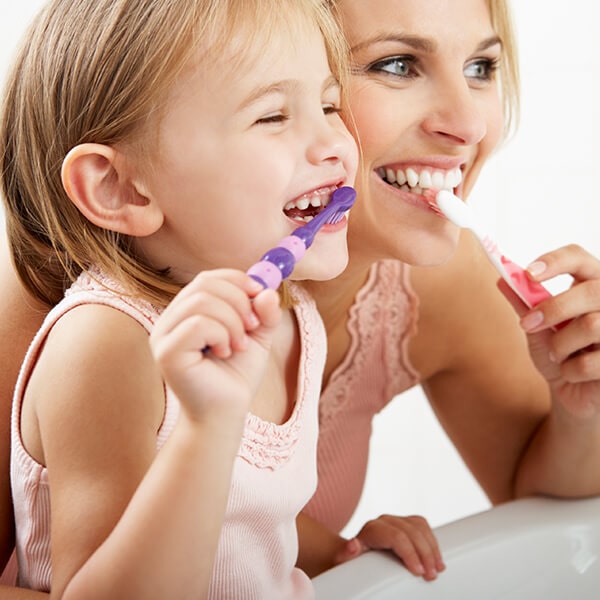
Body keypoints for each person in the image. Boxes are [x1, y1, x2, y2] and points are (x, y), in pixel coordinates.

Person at [0, 0, 362, 597]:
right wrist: (207, 426)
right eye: (272, 116)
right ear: (120, 187)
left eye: (326, 104)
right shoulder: (108, 345)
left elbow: (241, 518)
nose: (336, 144)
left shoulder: (291, 313)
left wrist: (345, 551)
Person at [295, 0, 600, 581]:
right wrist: (331, 556)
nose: (469, 125)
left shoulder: (436, 282)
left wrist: (583, 404)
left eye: (481, 68)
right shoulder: (108, 311)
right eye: (397, 65)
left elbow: (534, 498)